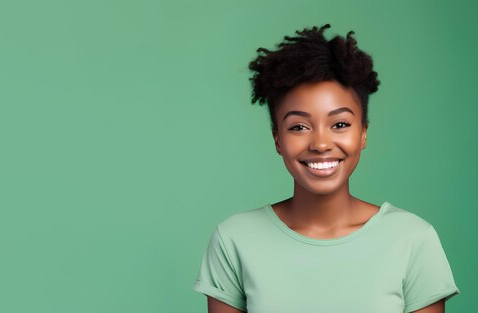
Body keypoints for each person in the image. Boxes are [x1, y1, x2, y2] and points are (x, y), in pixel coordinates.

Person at [192, 24, 460, 313]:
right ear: (277, 139)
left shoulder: (412, 240)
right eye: (299, 126)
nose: (321, 143)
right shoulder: (234, 239)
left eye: (340, 124)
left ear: (363, 133)